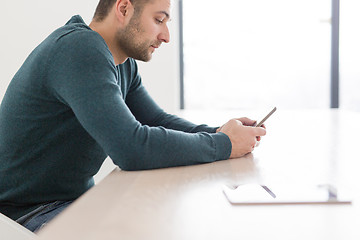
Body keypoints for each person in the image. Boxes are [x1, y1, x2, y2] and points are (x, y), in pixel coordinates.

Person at [0, 0, 266, 232]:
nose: (166, 36)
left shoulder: (121, 63)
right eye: (159, 19)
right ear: (124, 8)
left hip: (72, 203)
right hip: (27, 216)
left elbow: (157, 120)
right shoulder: (79, 49)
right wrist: (225, 144)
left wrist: (220, 132)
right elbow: (131, 149)